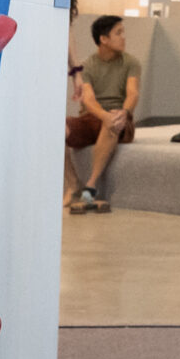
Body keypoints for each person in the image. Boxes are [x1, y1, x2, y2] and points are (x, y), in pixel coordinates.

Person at [65, 13, 141, 213]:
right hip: (95, 117)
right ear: (103, 39)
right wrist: (104, 116)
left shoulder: (131, 63)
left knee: (113, 120)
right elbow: (88, 100)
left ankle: (90, 185)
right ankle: (72, 183)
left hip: (121, 117)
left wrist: (124, 112)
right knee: (59, 128)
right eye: (118, 33)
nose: (123, 37)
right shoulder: (88, 65)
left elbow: (133, 93)